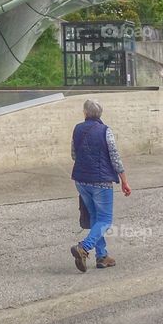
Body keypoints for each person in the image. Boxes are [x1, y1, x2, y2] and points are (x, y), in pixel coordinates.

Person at [69, 99, 132, 273]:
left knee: (96, 218)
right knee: (105, 220)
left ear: (85, 113)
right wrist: (124, 180)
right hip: (101, 182)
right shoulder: (106, 131)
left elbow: (74, 155)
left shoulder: (77, 129)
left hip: (81, 181)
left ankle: (102, 256)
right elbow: (115, 157)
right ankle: (84, 247)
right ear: (100, 114)